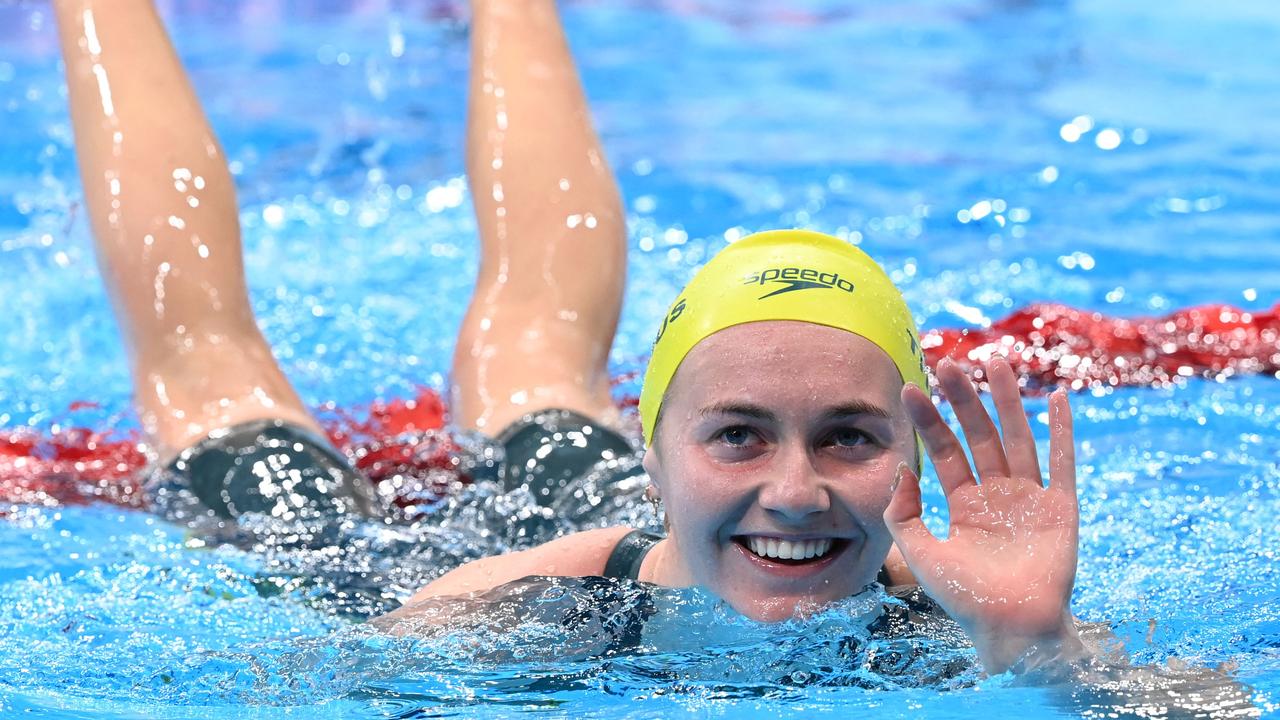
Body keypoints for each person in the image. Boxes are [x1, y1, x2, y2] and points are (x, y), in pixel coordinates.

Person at [54, 0, 1083, 675]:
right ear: (651, 445)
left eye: (849, 436)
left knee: (530, 359)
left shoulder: (957, 609)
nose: (794, 490)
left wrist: (1039, 647)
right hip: (386, 573)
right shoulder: (513, 611)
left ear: (909, 458)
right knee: (214, 381)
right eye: (737, 434)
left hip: (647, 527)